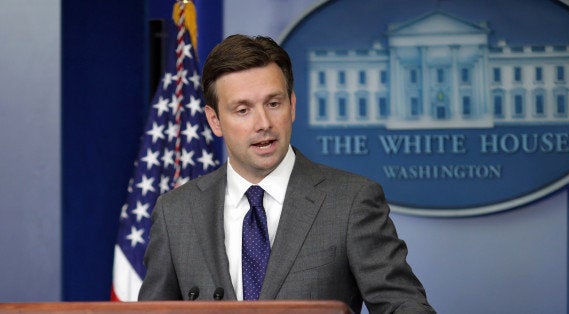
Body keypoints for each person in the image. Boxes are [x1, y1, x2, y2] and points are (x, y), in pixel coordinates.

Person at [139, 34, 435, 314]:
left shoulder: (350, 202)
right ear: (215, 121)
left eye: (273, 103)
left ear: (291, 106)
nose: (263, 123)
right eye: (243, 110)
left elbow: (403, 305)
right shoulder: (175, 212)